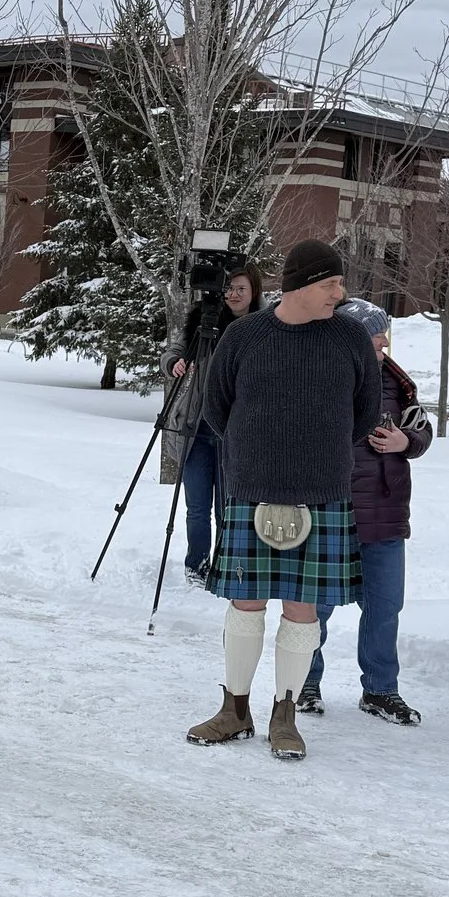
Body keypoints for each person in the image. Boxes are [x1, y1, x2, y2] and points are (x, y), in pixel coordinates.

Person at [184, 240, 380, 762]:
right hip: (253, 490)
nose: (339, 293)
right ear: (297, 286)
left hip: (321, 492)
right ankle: (234, 709)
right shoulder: (245, 336)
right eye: (329, 284)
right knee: (244, 603)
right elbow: (216, 408)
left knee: (302, 609)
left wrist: (317, 454)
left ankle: (285, 715)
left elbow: (363, 415)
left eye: (339, 283)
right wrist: (258, 456)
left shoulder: (350, 339)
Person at [303, 297, 433, 724]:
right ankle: (304, 682)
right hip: (330, 513)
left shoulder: (397, 382)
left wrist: (405, 442)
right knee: (315, 606)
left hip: (386, 511)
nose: (383, 342)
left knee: (384, 605)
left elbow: (420, 427)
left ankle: (380, 689)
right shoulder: (319, 377)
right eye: (375, 336)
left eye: (384, 335)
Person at [164, 256, 265, 585]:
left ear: (254, 291)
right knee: (196, 507)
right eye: (229, 289)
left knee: (228, 509)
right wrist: (175, 362)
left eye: (241, 288)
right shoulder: (203, 321)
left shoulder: (264, 328)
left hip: (235, 433)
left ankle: (224, 564)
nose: (233, 295)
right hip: (196, 429)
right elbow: (173, 351)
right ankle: (196, 566)